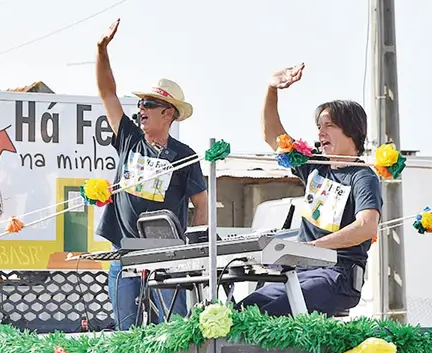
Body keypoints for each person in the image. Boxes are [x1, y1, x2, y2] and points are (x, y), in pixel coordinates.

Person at [237, 63, 383, 318]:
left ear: (351, 130)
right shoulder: (314, 166)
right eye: (318, 126)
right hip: (299, 272)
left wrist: (313, 247)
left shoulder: (363, 176)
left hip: (337, 275)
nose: (320, 133)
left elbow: (367, 227)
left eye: (328, 126)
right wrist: (272, 88)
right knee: (243, 310)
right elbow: (272, 136)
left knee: (277, 310)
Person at [94, 19, 209, 331]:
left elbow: (202, 203)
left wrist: (194, 248)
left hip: (169, 256)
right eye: (141, 102)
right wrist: (101, 50)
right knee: (126, 330)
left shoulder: (184, 155)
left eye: (150, 103)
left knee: (173, 329)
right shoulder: (129, 137)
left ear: (168, 113)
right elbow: (107, 92)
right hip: (125, 250)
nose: (141, 108)